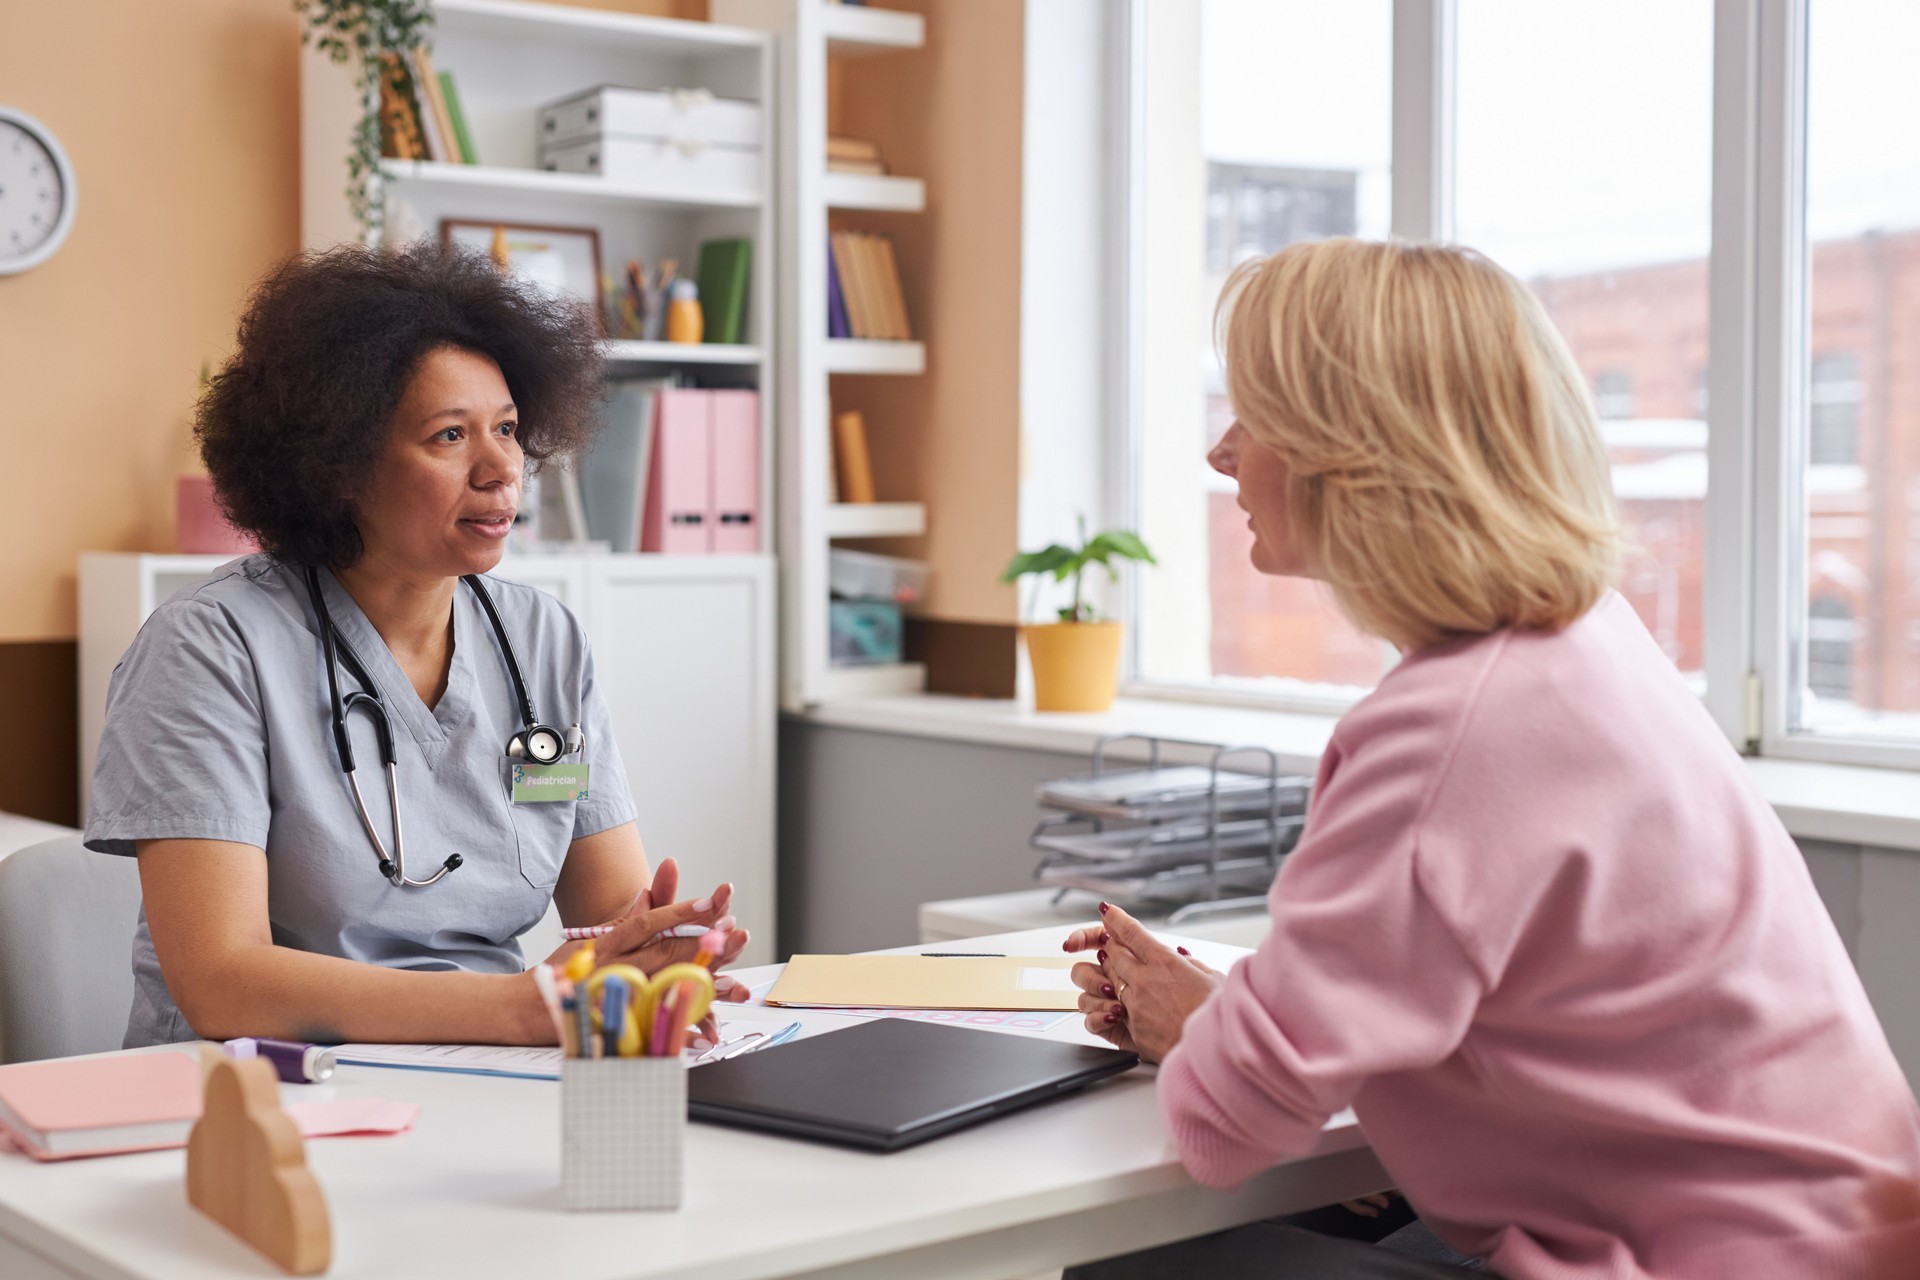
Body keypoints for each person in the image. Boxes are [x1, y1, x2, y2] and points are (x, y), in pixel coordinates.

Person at [1064, 239, 1920, 1278]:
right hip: (1828, 1243)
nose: (1222, 453)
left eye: (1256, 415)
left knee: (1138, 1264)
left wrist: (1215, 1041)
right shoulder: (1585, 645)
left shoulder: (1454, 728)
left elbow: (1219, 1129)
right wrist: (1244, 1022)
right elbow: (1476, 1010)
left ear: (1353, 447)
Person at [85, 243, 749, 1049]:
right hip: (257, 1096)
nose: (502, 467)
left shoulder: (541, 642)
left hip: (479, 1076)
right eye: (448, 436)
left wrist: (648, 955)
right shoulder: (210, 649)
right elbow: (222, 983)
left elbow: (609, 910)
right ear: (339, 463)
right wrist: (517, 1011)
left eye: (507, 428)